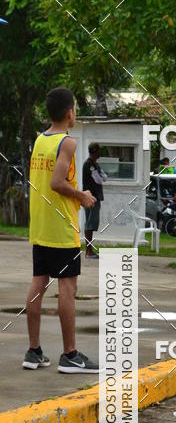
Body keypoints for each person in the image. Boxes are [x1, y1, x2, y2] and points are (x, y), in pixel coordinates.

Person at [23, 87, 100, 373]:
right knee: (68, 287)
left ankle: (34, 351)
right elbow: (57, 182)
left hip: (41, 225)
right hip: (61, 227)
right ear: (70, 112)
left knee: (38, 285)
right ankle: (70, 355)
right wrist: (81, 195)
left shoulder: (40, 139)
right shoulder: (67, 143)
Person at [82, 142, 107, 259]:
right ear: (95, 151)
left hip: (95, 197)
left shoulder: (95, 164)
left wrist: (101, 176)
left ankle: (90, 250)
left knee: (91, 224)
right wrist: (101, 176)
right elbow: (98, 179)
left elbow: (104, 178)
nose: (101, 152)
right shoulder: (89, 165)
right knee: (90, 224)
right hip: (90, 198)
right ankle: (88, 251)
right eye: (99, 150)